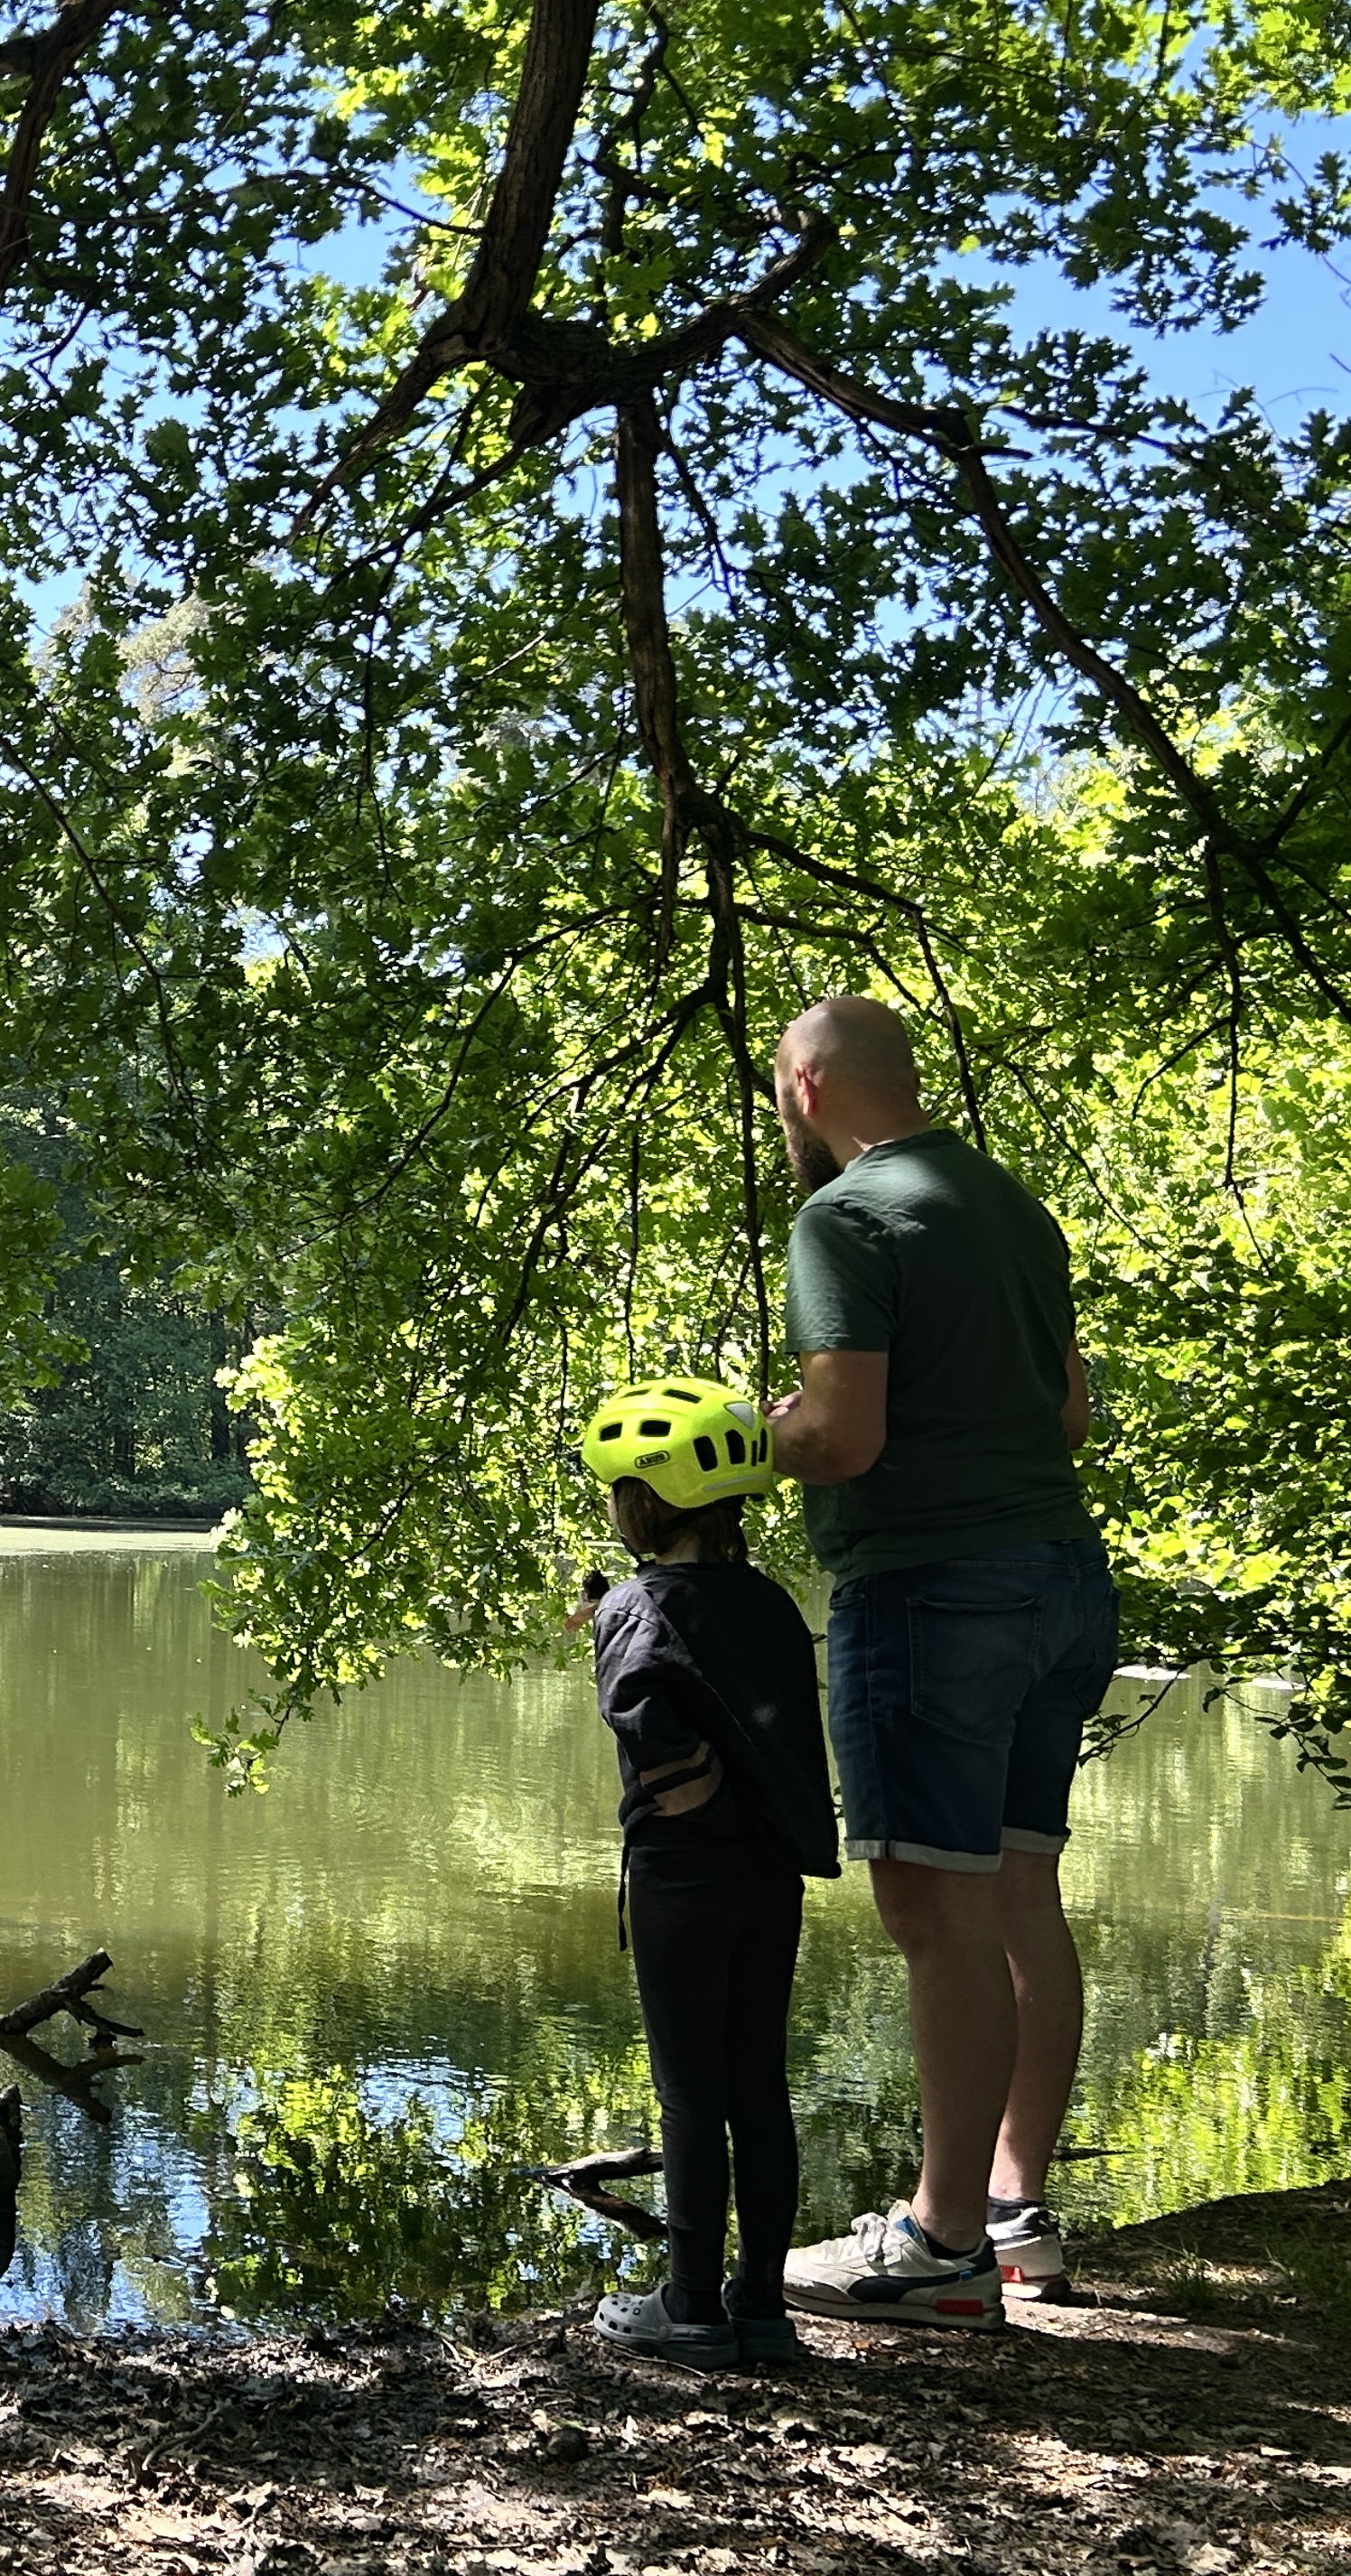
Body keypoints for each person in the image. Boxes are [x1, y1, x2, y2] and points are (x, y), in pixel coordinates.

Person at [764, 994, 1111, 2326]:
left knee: (934, 1915)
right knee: (1020, 1893)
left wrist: (754, 1428)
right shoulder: (1014, 1207)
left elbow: (843, 1440)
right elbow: (1069, 1413)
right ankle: (1016, 2217)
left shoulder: (844, 1217)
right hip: (1063, 1582)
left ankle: (943, 2249)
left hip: (931, 1594)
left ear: (804, 1088)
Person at [576, 1376, 839, 2369]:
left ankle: (688, 2309)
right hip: (770, 1869)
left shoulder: (639, 1604)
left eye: (617, 1490)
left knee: (690, 2092)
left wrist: (691, 1808)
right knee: (757, 2081)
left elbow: (654, 1732)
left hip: (685, 1874)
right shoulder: (767, 1599)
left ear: (645, 1500)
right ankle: (761, 2307)